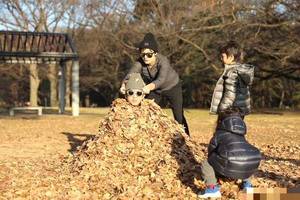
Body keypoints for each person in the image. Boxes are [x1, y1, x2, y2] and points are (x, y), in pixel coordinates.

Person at [199, 41, 261, 198]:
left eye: (223, 56)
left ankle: (215, 176)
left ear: (231, 56)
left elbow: (230, 93)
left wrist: (223, 110)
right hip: (240, 112)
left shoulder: (232, 72)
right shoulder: (243, 71)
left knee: (222, 137)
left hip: (229, 111)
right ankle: (246, 182)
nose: (221, 58)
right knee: (238, 139)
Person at [120, 32, 190, 136]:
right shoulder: (140, 63)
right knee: (147, 110)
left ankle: (186, 138)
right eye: (143, 54)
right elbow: (131, 74)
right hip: (156, 90)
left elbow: (161, 79)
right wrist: (124, 85)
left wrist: (148, 87)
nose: (146, 57)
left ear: (155, 53)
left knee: (178, 115)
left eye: (149, 54)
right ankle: (148, 135)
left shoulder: (163, 61)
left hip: (172, 87)